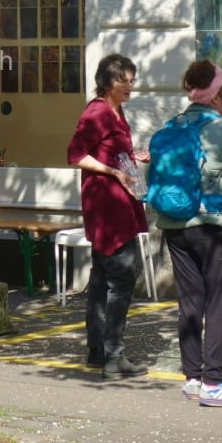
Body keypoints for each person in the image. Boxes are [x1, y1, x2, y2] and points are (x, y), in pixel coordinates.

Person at [157, 60, 222, 407]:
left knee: (190, 301)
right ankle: (214, 383)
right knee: (220, 301)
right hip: (213, 228)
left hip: (175, 226)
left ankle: (193, 379)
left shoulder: (174, 124)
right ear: (216, 95)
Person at [67, 53, 149, 380]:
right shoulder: (98, 112)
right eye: (123, 80)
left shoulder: (117, 111)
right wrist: (112, 171)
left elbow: (111, 151)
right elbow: (75, 154)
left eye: (132, 80)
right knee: (123, 278)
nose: (129, 86)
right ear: (107, 82)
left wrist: (132, 157)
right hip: (106, 206)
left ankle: (97, 350)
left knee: (102, 278)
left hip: (119, 202)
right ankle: (113, 356)